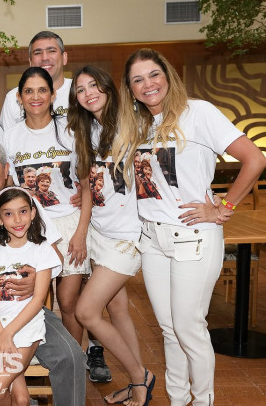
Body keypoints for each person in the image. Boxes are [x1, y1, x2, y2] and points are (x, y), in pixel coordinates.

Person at [112, 48, 266, 405]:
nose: (148, 84)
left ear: (168, 75)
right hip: (153, 240)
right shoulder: (138, 125)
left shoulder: (198, 113)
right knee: (169, 330)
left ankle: (202, 400)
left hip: (193, 238)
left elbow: (254, 159)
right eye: (137, 80)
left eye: (154, 74)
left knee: (188, 328)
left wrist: (224, 207)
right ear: (130, 89)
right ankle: (178, 400)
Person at [0, 138, 87, 406]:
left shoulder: (26, 203)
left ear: (6, 168)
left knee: (71, 355)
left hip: (25, 307)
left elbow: (53, 256)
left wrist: (34, 279)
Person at [68, 65, 151, 405]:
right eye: (80, 89)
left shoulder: (134, 124)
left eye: (93, 85)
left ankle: (140, 376)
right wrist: (81, 231)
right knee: (117, 310)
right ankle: (137, 383)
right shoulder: (86, 132)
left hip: (127, 236)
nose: (88, 93)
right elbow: (88, 187)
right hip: (99, 233)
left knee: (87, 312)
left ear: (107, 87)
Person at [4, 67, 92, 349]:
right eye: (28, 91)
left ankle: (75, 360)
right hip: (30, 228)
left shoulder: (70, 130)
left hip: (69, 223)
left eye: (42, 90)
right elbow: (10, 187)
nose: (36, 97)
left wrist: (80, 233)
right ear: (19, 97)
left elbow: (86, 186)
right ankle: (41, 356)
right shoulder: (10, 136)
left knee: (68, 303)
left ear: (53, 95)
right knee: (35, 299)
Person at [0, 187, 62, 406]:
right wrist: (0, 333)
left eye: (23, 211)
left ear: (33, 213)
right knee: (20, 398)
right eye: (8, 214)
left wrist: (8, 333)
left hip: (26, 326)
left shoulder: (42, 249)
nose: (17, 220)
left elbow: (38, 300)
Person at [0, 31, 71, 130]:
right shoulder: (12, 98)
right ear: (30, 61)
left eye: (51, 51)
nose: (45, 58)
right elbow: (8, 137)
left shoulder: (79, 91)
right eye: (38, 53)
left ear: (64, 57)